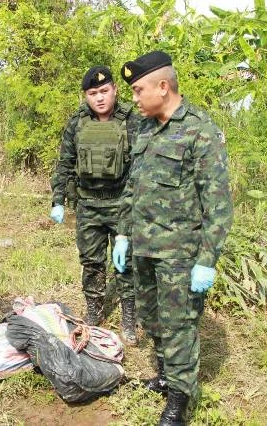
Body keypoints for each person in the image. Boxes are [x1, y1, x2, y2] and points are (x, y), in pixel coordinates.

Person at [112, 51, 233, 425]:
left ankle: (180, 401)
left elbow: (219, 205)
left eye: (138, 89)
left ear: (163, 87)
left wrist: (206, 260)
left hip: (180, 254)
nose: (133, 98)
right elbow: (133, 187)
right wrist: (121, 234)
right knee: (153, 318)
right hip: (145, 249)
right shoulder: (145, 129)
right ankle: (166, 375)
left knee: (179, 325)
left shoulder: (200, 130)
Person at [50, 65, 140, 344]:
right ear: (85, 96)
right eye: (92, 93)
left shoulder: (131, 122)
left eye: (104, 91)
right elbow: (65, 162)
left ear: (115, 90)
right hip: (88, 205)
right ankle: (94, 312)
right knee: (91, 263)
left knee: (126, 263)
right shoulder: (77, 123)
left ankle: (128, 319)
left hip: (121, 204)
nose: (99, 98)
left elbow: (139, 167)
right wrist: (58, 200)